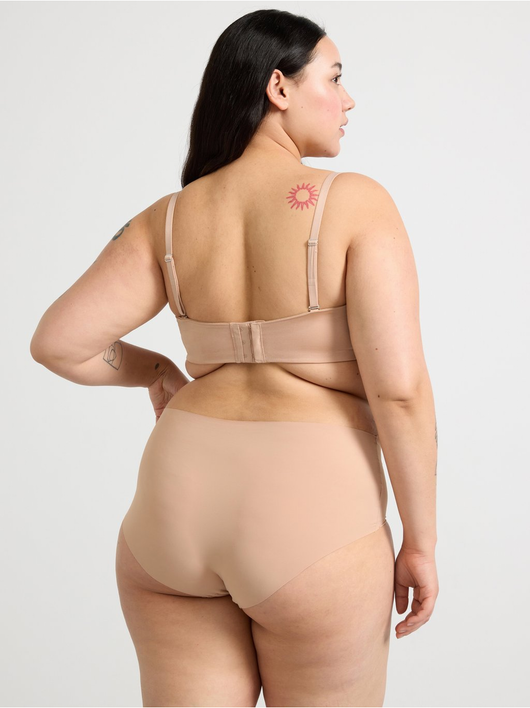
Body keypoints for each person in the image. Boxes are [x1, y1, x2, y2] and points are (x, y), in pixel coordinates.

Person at [30, 9, 439, 707]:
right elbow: (399, 391)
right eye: (334, 78)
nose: (348, 100)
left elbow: (57, 342)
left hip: (172, 519)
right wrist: (421, 542)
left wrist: (159, 371)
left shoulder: (169, 217)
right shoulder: (355, 203)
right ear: (279, 87)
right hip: (313, 517)